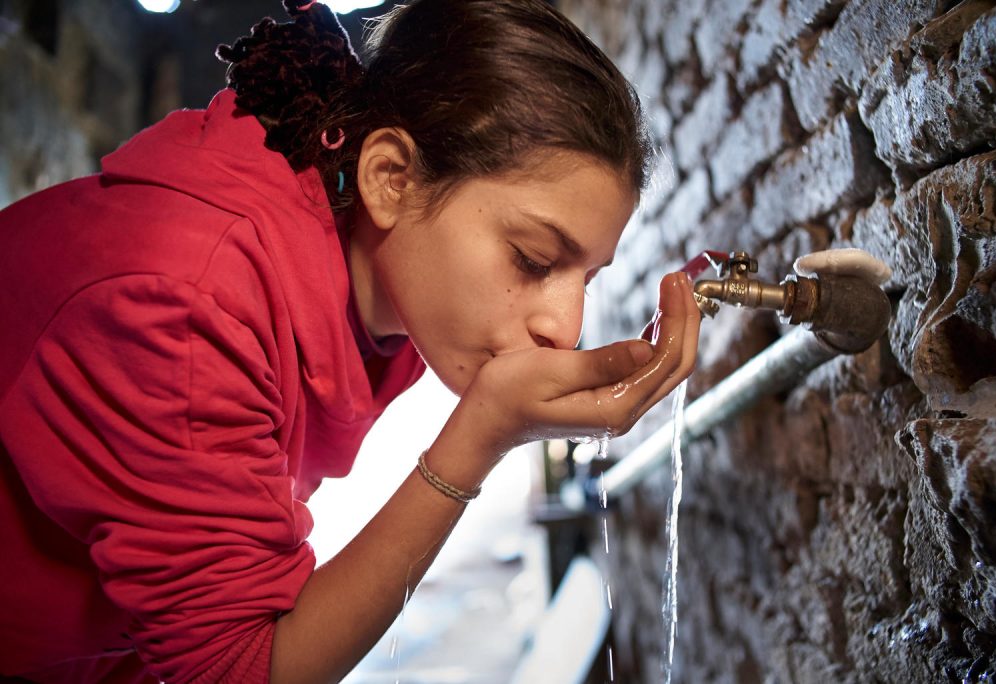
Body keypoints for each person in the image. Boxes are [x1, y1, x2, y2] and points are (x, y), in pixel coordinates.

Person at [0, 0, 701, 681]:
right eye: (534, 260)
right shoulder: (188, 303)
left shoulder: (379, 303)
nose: (567, 327)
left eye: (588, 276)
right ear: (390, 179)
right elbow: (239, 669)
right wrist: (482, 432)